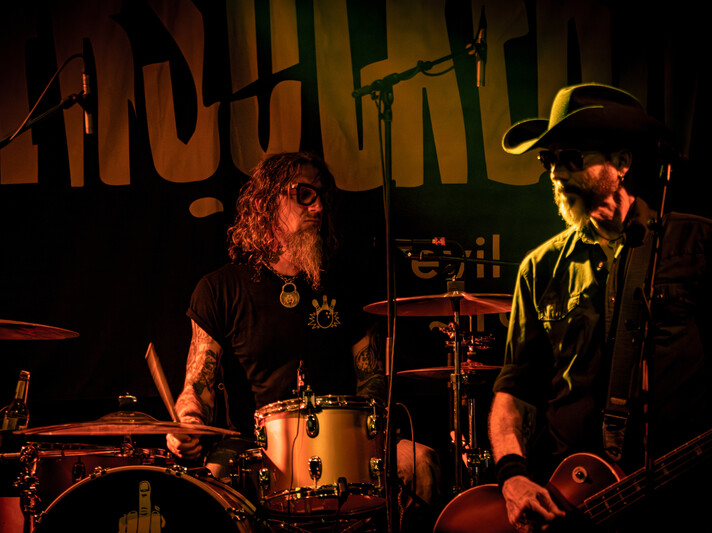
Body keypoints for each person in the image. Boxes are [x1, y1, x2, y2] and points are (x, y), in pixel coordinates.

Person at [165, 151, 441, 525]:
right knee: (210, 482)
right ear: (264, 204)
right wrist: (187, 422)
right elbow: (197, 387)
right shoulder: (220, 290)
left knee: (421, 463)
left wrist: (365, 431)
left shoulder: (347, 283)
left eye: (322, 196)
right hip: (255, 448)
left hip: (345, 441)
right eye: (304, 194)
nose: (319, 208)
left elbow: (372, 378)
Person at [488, 83, 711, 531]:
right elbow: (513, 393)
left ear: (621, 164)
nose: (555, 174)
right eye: (548, 161)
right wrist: (512, 476)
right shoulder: (540, 268)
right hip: (569, 504)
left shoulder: (696, 243)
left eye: (571, 158)